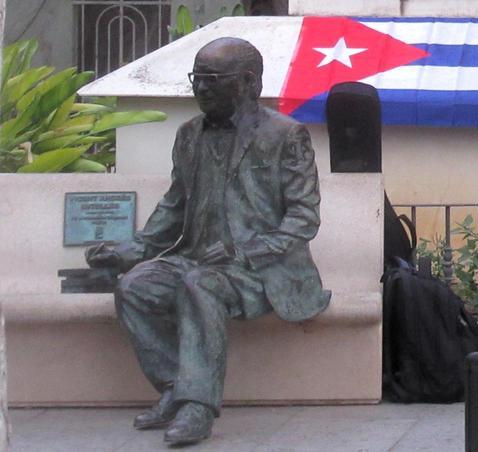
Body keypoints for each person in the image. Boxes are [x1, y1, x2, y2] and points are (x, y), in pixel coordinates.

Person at [86, 37, 330, 447]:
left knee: (201, 286)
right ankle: (175, 388)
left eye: (211, 79)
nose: (200, 88)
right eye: (196, 78)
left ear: (249, 82)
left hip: (258, 269)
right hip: (194, 258)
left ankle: (198, 408)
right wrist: (129, 251)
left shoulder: (286, 135)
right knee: (134, 287)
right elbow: (173, 207)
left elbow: (304, 219)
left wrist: (243, 250)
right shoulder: (188, 134)